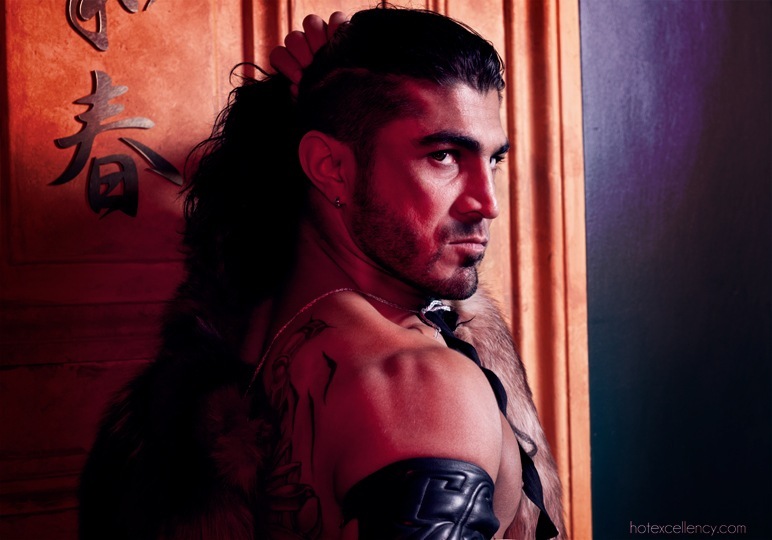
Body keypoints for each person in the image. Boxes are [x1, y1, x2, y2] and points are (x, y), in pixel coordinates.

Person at [77, 5, 566, 539]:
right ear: (330, 167)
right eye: (445, 156)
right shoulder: (420, 387)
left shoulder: (245, 334)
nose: (487, 202)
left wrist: (328, 86)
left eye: (493, 159)